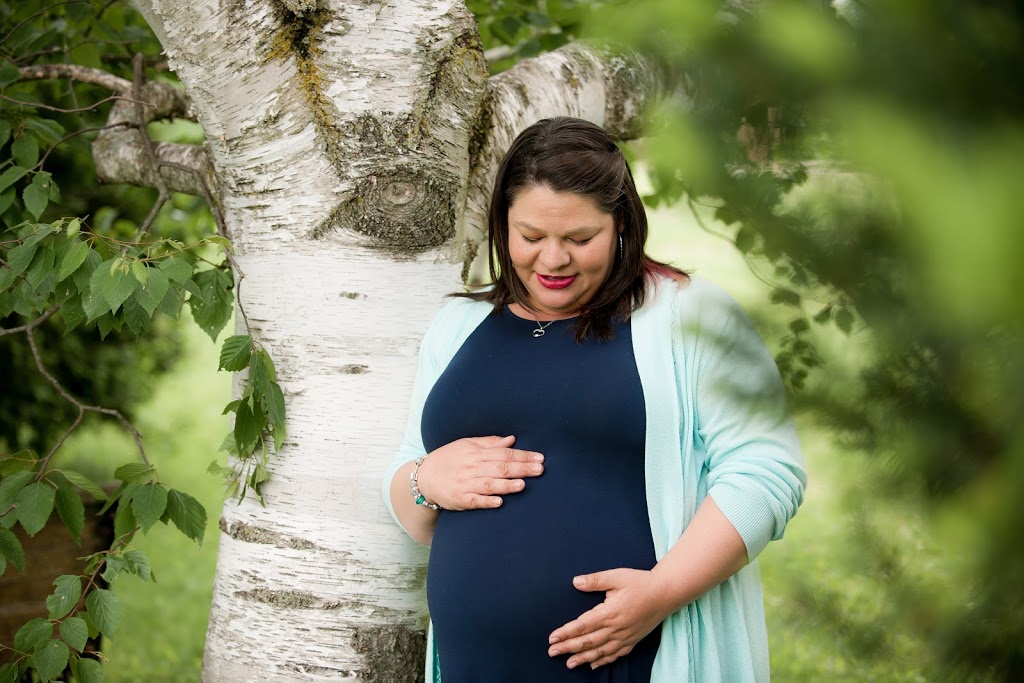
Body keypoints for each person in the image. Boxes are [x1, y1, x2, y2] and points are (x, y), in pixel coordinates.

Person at [382, 116, 806, 682]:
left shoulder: (691, 317)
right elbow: (412, 495)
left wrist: (659, 594)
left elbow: (768, 471)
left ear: (623, 224)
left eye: (580, 239)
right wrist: (425, 480)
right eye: (530, 237)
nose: (553, 261)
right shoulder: (458, 324)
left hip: (631, 663)